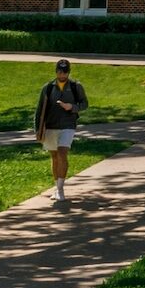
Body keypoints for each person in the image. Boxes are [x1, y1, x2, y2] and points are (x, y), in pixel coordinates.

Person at [36, 60, 89, 200]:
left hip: (68, 125)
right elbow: (40, 109)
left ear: (69, 72)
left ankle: (60, 189)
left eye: (65, 72)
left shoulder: (75, 86)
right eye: (60, 71)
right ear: (56, 71)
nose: (62, 74)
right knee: (54, 156)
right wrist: (38, 129)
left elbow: (84, 104)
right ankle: (56, 187)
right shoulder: (48, 87)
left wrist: (71, 107)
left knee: (62, 153)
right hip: (50, 125)